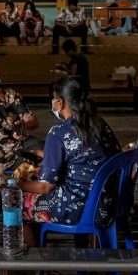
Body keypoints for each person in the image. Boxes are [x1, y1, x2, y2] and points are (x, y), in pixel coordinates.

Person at [16, 76, 119, 264]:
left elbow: (45, 187)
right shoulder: (100, 124)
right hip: (108, 205)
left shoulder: (59, 132)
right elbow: (86, 159)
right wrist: (49, 156)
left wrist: (19, 183)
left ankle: (40, 268)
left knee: (17, 206)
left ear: (60, 101)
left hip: (77, 209)